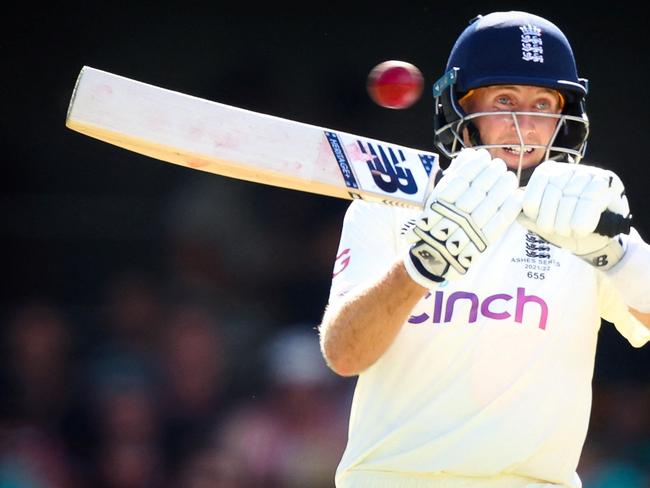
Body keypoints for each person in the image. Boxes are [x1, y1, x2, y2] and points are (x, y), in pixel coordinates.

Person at [318, 10, 650, 488]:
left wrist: (617, 257)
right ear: (462, 107)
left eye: (543, 104)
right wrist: (420, 267)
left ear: (564, 115)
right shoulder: (391, 206)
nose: (525, 125)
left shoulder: (586, 213)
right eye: (505, 100)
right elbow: (344, 354)